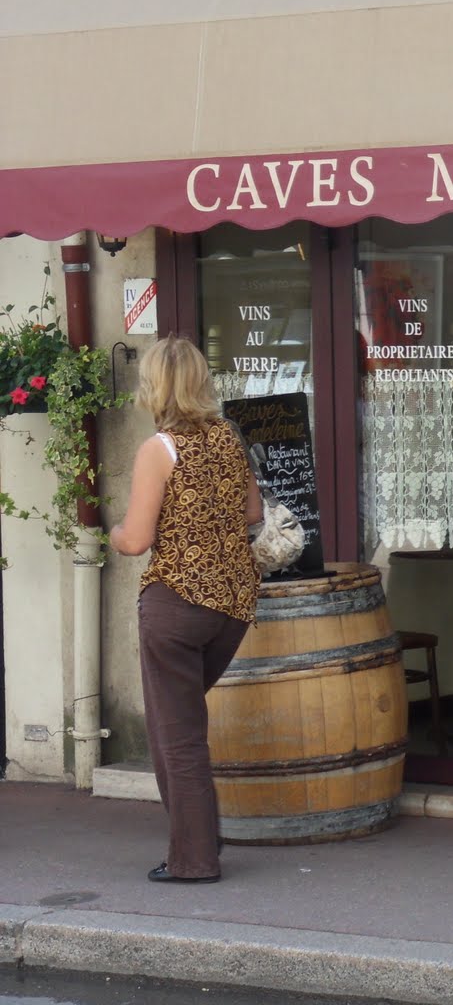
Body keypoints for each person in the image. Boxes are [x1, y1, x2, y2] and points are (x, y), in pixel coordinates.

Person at [110, 336, 262, 885]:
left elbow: (135, 540)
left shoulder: (160, 448)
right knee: (177, 726)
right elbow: (252, 511)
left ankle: (195, 860)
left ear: (156, 386)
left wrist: (111, 532)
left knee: (177, 736)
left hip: (176, 603)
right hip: (232, 605)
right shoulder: (227, 437)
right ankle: (201, 834)